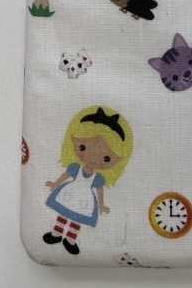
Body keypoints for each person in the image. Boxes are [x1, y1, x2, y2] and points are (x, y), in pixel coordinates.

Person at [42, 107, 133, 255]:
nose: (93, 158)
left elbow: (100, 190)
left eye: (106, 158)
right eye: (83, 147)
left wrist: (101, 205)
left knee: (77, 219)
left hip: (84, 200)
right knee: (64, 214)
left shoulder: (98, 178)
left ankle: (70, 239)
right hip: (70, 194)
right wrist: (55, 184)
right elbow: (65, 175)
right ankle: (57, 233)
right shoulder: (75, 168)